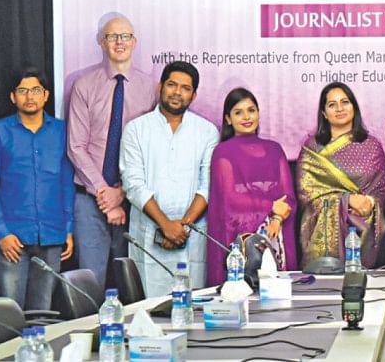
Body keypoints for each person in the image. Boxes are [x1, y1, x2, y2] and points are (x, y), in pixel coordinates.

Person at [67, 15, 156, 287]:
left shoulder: (150, 89)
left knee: (133, 282)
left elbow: (151, 150)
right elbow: (76, 146)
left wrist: (122, 193)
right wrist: (105, 193)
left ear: (134, 42)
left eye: (125, 36)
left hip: (134, 200)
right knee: (90, 283)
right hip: (89, 199)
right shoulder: (83, 85)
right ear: (102, 42)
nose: (119, 42)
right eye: (112, 36)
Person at [0, 68, 75, 310]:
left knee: (43, 314)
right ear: (13, 97)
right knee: (10, 315)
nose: (29, 96)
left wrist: (68, 228)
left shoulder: (62, 131)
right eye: (22, 90)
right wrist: (1, 232)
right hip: (12, 239)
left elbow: (66, 182)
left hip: (52, 234)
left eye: (36, 90)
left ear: (46, 95)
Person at [120, 61, 218, 297]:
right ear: (160, 86)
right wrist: (165, 225)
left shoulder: (207, 131)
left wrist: (181, 227)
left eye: (185, 88)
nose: (177, 92)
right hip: (149, 232)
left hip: (191, 234)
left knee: (192, 307)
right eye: (172, 85)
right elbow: (133, 184)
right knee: (150, 307)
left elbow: (207, 186)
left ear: (193, 95)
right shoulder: (136, 129)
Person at [206, 88, 297, 285]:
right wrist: (270, 207)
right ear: (228, 119)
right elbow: (230, 198)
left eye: (251, 110)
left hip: (275, 234)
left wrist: (277, 219)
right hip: (239, 241)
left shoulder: (274, 149)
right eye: (238, 112)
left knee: (277, 293)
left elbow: (288, 196)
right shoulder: (223, 152)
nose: (246, 117)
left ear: (258, 113)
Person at [297, 82, 385, 269]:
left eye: (345, 102)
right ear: (324, 113)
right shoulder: (312, 148)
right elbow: (306, 191)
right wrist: (346, 201)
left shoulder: (372, 145)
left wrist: (370, 203)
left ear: (354, 107)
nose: (339, 108)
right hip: (321, 228)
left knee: (357, 282)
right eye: (332, 104)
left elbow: (381, 189)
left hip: (362, 226)